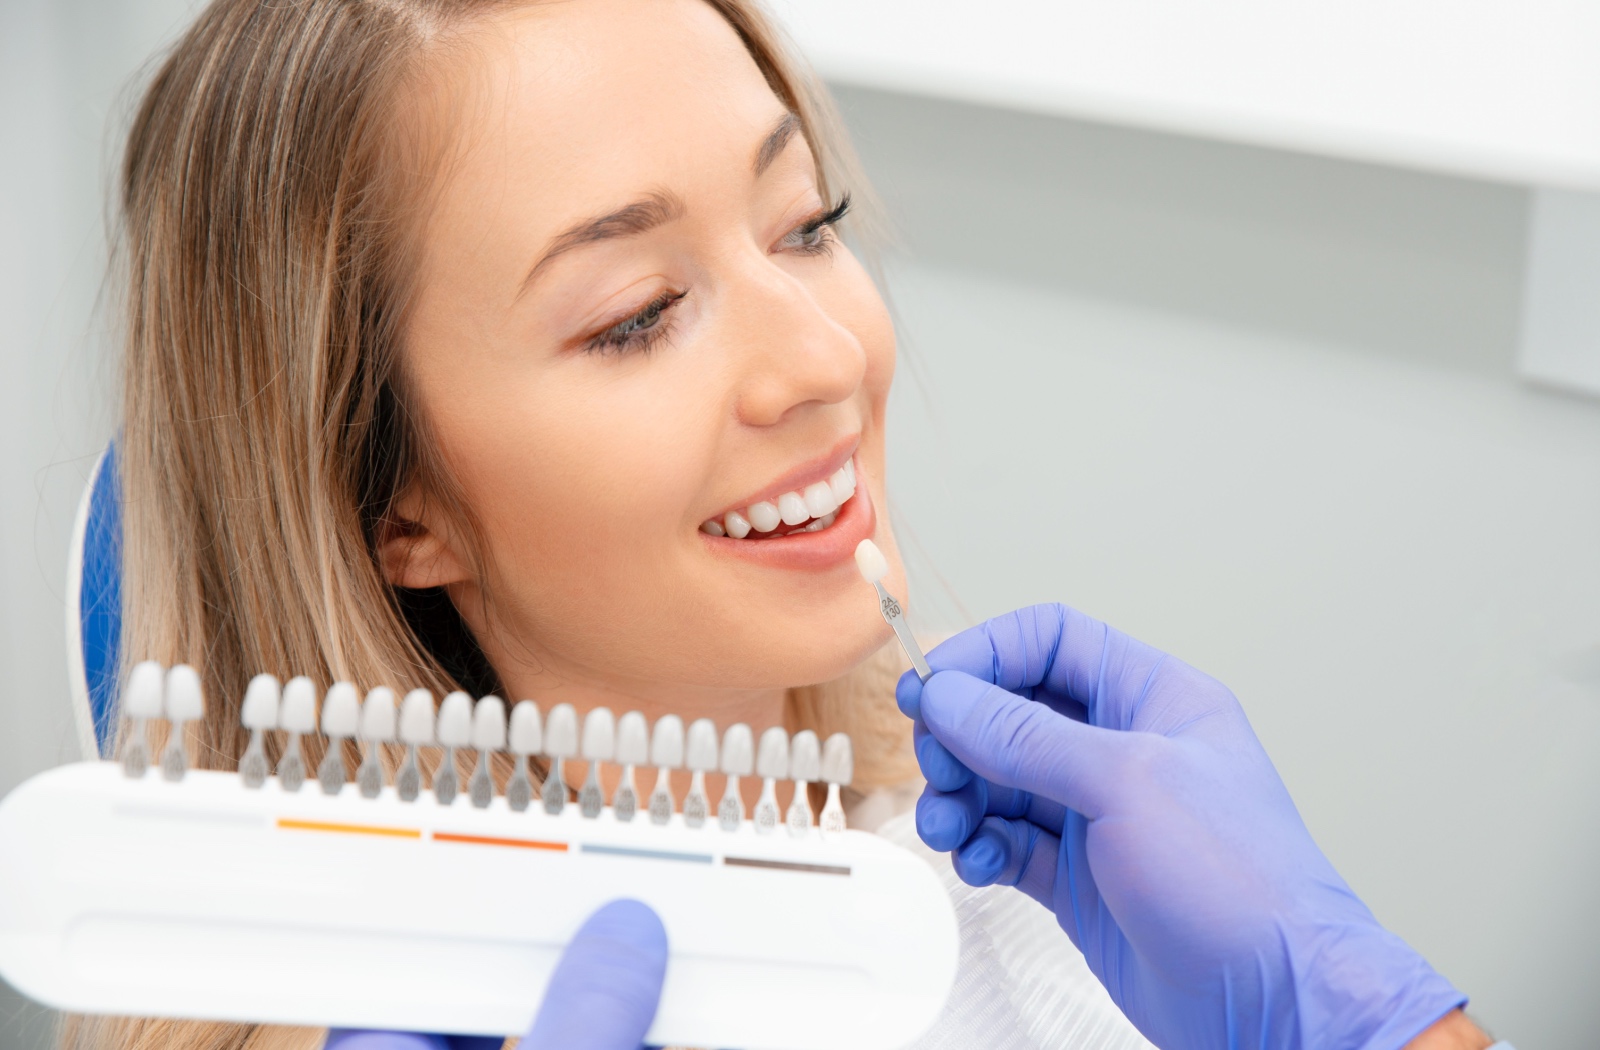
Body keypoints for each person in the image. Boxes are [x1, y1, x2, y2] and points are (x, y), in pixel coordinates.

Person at [334, 604, 1506, 1050]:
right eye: (637, 316)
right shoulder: (364, 998)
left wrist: (1357, 1013)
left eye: (807, 225)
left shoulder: (1019, 902)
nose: (824, 353)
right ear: (406, 517)